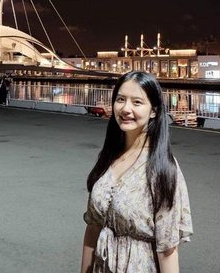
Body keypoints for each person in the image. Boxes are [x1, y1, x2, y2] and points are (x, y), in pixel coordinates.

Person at [81, 71, 193, 273]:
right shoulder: (109, 156)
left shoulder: (162, 167)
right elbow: (93, 228)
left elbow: (167, 249)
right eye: (120, 99)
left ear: (154, 111)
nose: (126, 108)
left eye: (137, 102)